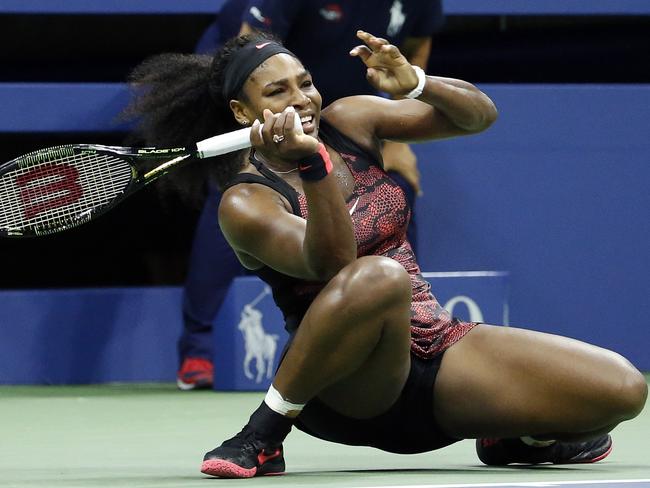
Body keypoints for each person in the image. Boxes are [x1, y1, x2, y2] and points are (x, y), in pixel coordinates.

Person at [126, 30, 647, 478]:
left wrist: (418, 83)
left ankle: (513, 438)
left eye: (305, 82)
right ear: (243, 112)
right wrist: (313, 166)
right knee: (380, 276)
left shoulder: (350, 121)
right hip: (346, 385)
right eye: (278, 91)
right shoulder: (246, 201)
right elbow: (333, 264)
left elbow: (478, 117)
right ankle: (262, 435)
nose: (302, 99)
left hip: (434, 351)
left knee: (623, 389)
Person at [176, 0, 443, 389]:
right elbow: (253, 54)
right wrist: (257, 151)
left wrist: (396, 119)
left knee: (392, 191)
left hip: (323, 100)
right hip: (256, 93)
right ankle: (199, 347)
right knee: (237, 203)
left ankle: (413, 335)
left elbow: (418, 44)